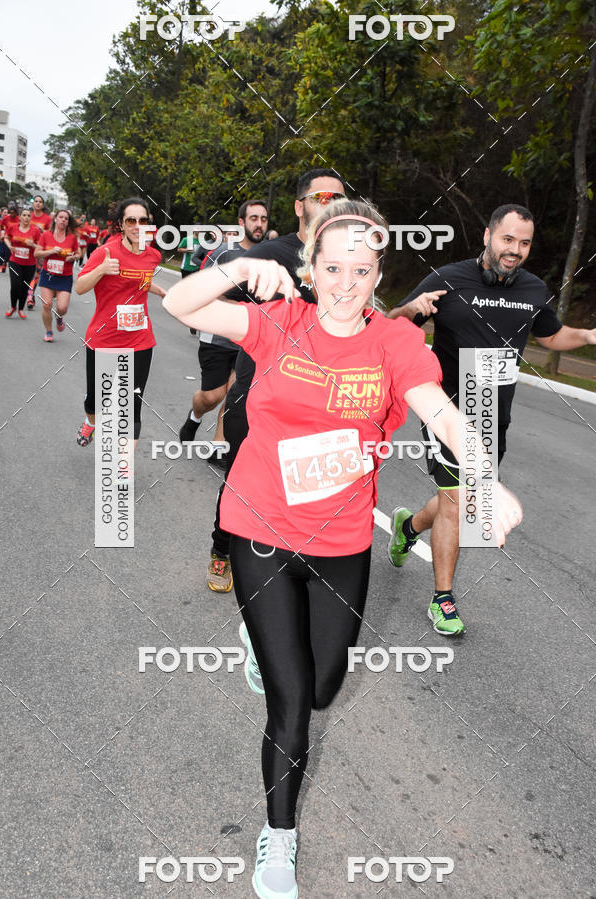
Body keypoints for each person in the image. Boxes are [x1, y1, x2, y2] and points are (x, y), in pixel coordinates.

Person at [162, 198, 523, 899]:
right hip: (261, 528)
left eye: (361, 268)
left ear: (378, 272)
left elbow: (441, 410)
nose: (346, 281)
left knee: (324, 687)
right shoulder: (280, 321)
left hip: (341, 540)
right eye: (332, 266)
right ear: (312, 267)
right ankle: (279, 837)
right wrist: (237, 267)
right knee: (292, 701)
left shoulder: (392, 342)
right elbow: (181, 300)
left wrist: (484, 476)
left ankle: (263, 648)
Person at [387, 203, 596, 635]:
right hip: (444, 407)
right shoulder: (447, 279)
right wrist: (411, 311)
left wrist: (590, 335)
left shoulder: (534, 289)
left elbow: (552, 335)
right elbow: (391, 326)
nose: (515, 250)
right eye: (508, 239)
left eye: (524, 243)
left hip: (492, 412)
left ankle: (407, 526)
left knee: (463, 502)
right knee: (458, 500)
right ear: (487, 236)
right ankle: (443, 599)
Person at [203, 168, 346, 592]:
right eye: (322, 196)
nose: (332, 204)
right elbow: (221, 286)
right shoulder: (269, 254)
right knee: (242, 480)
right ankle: (222, 549)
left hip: (313, 397)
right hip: (257, 392)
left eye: (339, 197)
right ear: (300, 206)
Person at [75, 197, 166, 450]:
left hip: (140, 340)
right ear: (121, 225)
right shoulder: (106, 252)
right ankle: (90, 421)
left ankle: (122, 466)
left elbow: (139, 280)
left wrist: (158, 290)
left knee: (132, 405)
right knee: (96, 400)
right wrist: (102, 269)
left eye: (143, 220)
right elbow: (80, 287)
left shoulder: (153, 255)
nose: (138, 225)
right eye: (131, 220)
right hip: (103, 339)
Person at [178, 199, 269, 448]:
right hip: (217, 335)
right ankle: (194, 418)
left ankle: (219, 446)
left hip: (249, 340)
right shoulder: (224, 253)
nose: (259, 224)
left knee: (234, 394)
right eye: (253, 218)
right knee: (212, 396)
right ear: (241, 223)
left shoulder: (271, 256)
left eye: (263, 219)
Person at [34, 210, 79, 342]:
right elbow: (37, 254)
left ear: (68, 221)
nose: (63, 220)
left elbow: (78, 254)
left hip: (65, 276)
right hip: (48, 275)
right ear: (55, 219)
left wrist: (73, 257)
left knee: (62, 307)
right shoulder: (46, 235)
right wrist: (51, 251)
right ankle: (48, 331)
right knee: (47, 305)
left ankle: (59, 318)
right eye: (61, 217)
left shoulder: (72, 237)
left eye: (66, 218)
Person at [3, 207, 41, 318]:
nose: (26, 217)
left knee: (24, 287)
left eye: (29, 216)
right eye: (24, 215)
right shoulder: (13, 227)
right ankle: (13, 307)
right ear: (20, 217)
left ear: (31, 218)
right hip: (15, 261)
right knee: (15, 285)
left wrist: (32, 245)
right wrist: (10, 246)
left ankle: (20, 309)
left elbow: (40, 246)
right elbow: (6, 237)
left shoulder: (35, 230)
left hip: (30, 264)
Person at [27, 195, 53, 308]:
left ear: (43, 205)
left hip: (39, 249)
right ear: (33, 203)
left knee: (36, 274)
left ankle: (30, 295)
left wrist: (42, 229)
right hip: (27, 248)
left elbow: (51, 234)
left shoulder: (47, 219)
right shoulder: (28, 215)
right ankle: (28, 293)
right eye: (36, 201)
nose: (38, 203)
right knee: (26, 274)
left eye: (40, 202)